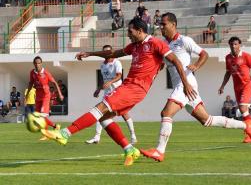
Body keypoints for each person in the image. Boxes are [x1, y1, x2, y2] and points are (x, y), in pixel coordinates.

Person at [39, 17, 196, 166]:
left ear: (140, 30)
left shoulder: (155, 43)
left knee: (100, 108)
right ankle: (129, 149)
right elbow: (112, 53)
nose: (128, 35)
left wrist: (186, 83)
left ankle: (65, 134)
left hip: (136, 88)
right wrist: (90, 53)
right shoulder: (134, 46)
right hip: (128, 86)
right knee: (104, 118)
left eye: (130, 31)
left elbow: (176, 62)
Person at [140, 12, 251, 162]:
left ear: (173, 25)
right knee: (207, 120)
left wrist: (196, 65)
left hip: (186, 84)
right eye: (160, 24)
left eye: (164, 24)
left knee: (166, 113)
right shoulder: (164, 44)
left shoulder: (184, 40)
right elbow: (164, 63)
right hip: (182, 85)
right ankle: (245, 126)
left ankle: (159, 151)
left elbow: (204, 54)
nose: (161, 27)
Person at [86, 45, 137, 145]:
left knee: (124, 113)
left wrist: (110, 82)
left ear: (111, 52)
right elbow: (104, 79)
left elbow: (119, 76)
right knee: (100, 112)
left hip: (117, 91)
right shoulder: (102, 65)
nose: (106, 53)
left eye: (108, 51)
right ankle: (96, 137)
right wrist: (99, 89)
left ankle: (133, 135)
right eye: (104, 52)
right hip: (107, 92)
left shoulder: (116, 62)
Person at [218, 36, 251, 143]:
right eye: (232, 44)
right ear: (229, 45)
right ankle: (248, 135)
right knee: (244, 112)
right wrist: (222, 86)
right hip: (236, 88)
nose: (233, 46)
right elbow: (228, 73)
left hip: (247, 86)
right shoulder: (228, 57)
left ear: (239, 45)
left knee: (242, 108)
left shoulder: (246, 56)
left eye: (236, 44)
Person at [26, 56, 64, 140]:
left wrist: (60, 94)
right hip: (38, 97)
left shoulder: (46, 73)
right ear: (34, 64)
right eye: (36, 63)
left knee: (42, 116)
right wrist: (27, 94)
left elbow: (54, 83)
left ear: (41, 63)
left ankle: (46, 135)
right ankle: (55, 126)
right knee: (38, 116)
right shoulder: (32, 72)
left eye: (39, 63)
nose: (37, 65)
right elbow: (30, 83)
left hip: (46, 96)